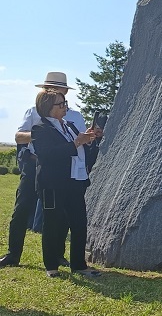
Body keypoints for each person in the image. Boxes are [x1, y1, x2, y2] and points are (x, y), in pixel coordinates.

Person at [0, 72, 89, 269]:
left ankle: (57, 255)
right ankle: (13, 254)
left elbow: (80, 140)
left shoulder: (74, 116)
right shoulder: (33, 112)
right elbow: (18, 136)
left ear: (65, 92)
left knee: (60, 215)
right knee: (22, 208)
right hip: (34, 163)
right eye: (48, 89)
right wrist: (44, 135)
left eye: (56, 89)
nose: (51, 92)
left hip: (61, 170)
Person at [31, 89, 99, 277]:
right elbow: (47, 155)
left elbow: (82, 149)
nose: (65, 107)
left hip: (74, 182)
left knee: (79, 223)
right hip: (52, 184)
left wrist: (91, 138)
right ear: (48, 107)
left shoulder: (69, 125)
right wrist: (77, 143)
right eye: (60, 104)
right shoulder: (40, 129)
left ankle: (78, 264)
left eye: (65, 103)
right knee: (53, 223)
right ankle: (51, 266)